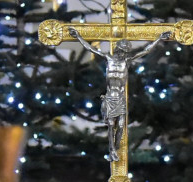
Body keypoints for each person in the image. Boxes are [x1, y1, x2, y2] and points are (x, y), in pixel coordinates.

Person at [68, 27, 168, 162]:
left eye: (125, 52)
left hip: (120, 97)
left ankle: (116, 147)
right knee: (111, 124)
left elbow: (146, 51)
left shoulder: (126, 61)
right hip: (110, 96)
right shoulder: (108, 58)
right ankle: (112, 150)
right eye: (122, 51)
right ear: (117, 50)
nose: (123, 54)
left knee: (120, 125)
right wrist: (78, 36)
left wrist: (159, 38)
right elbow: (91, 48)